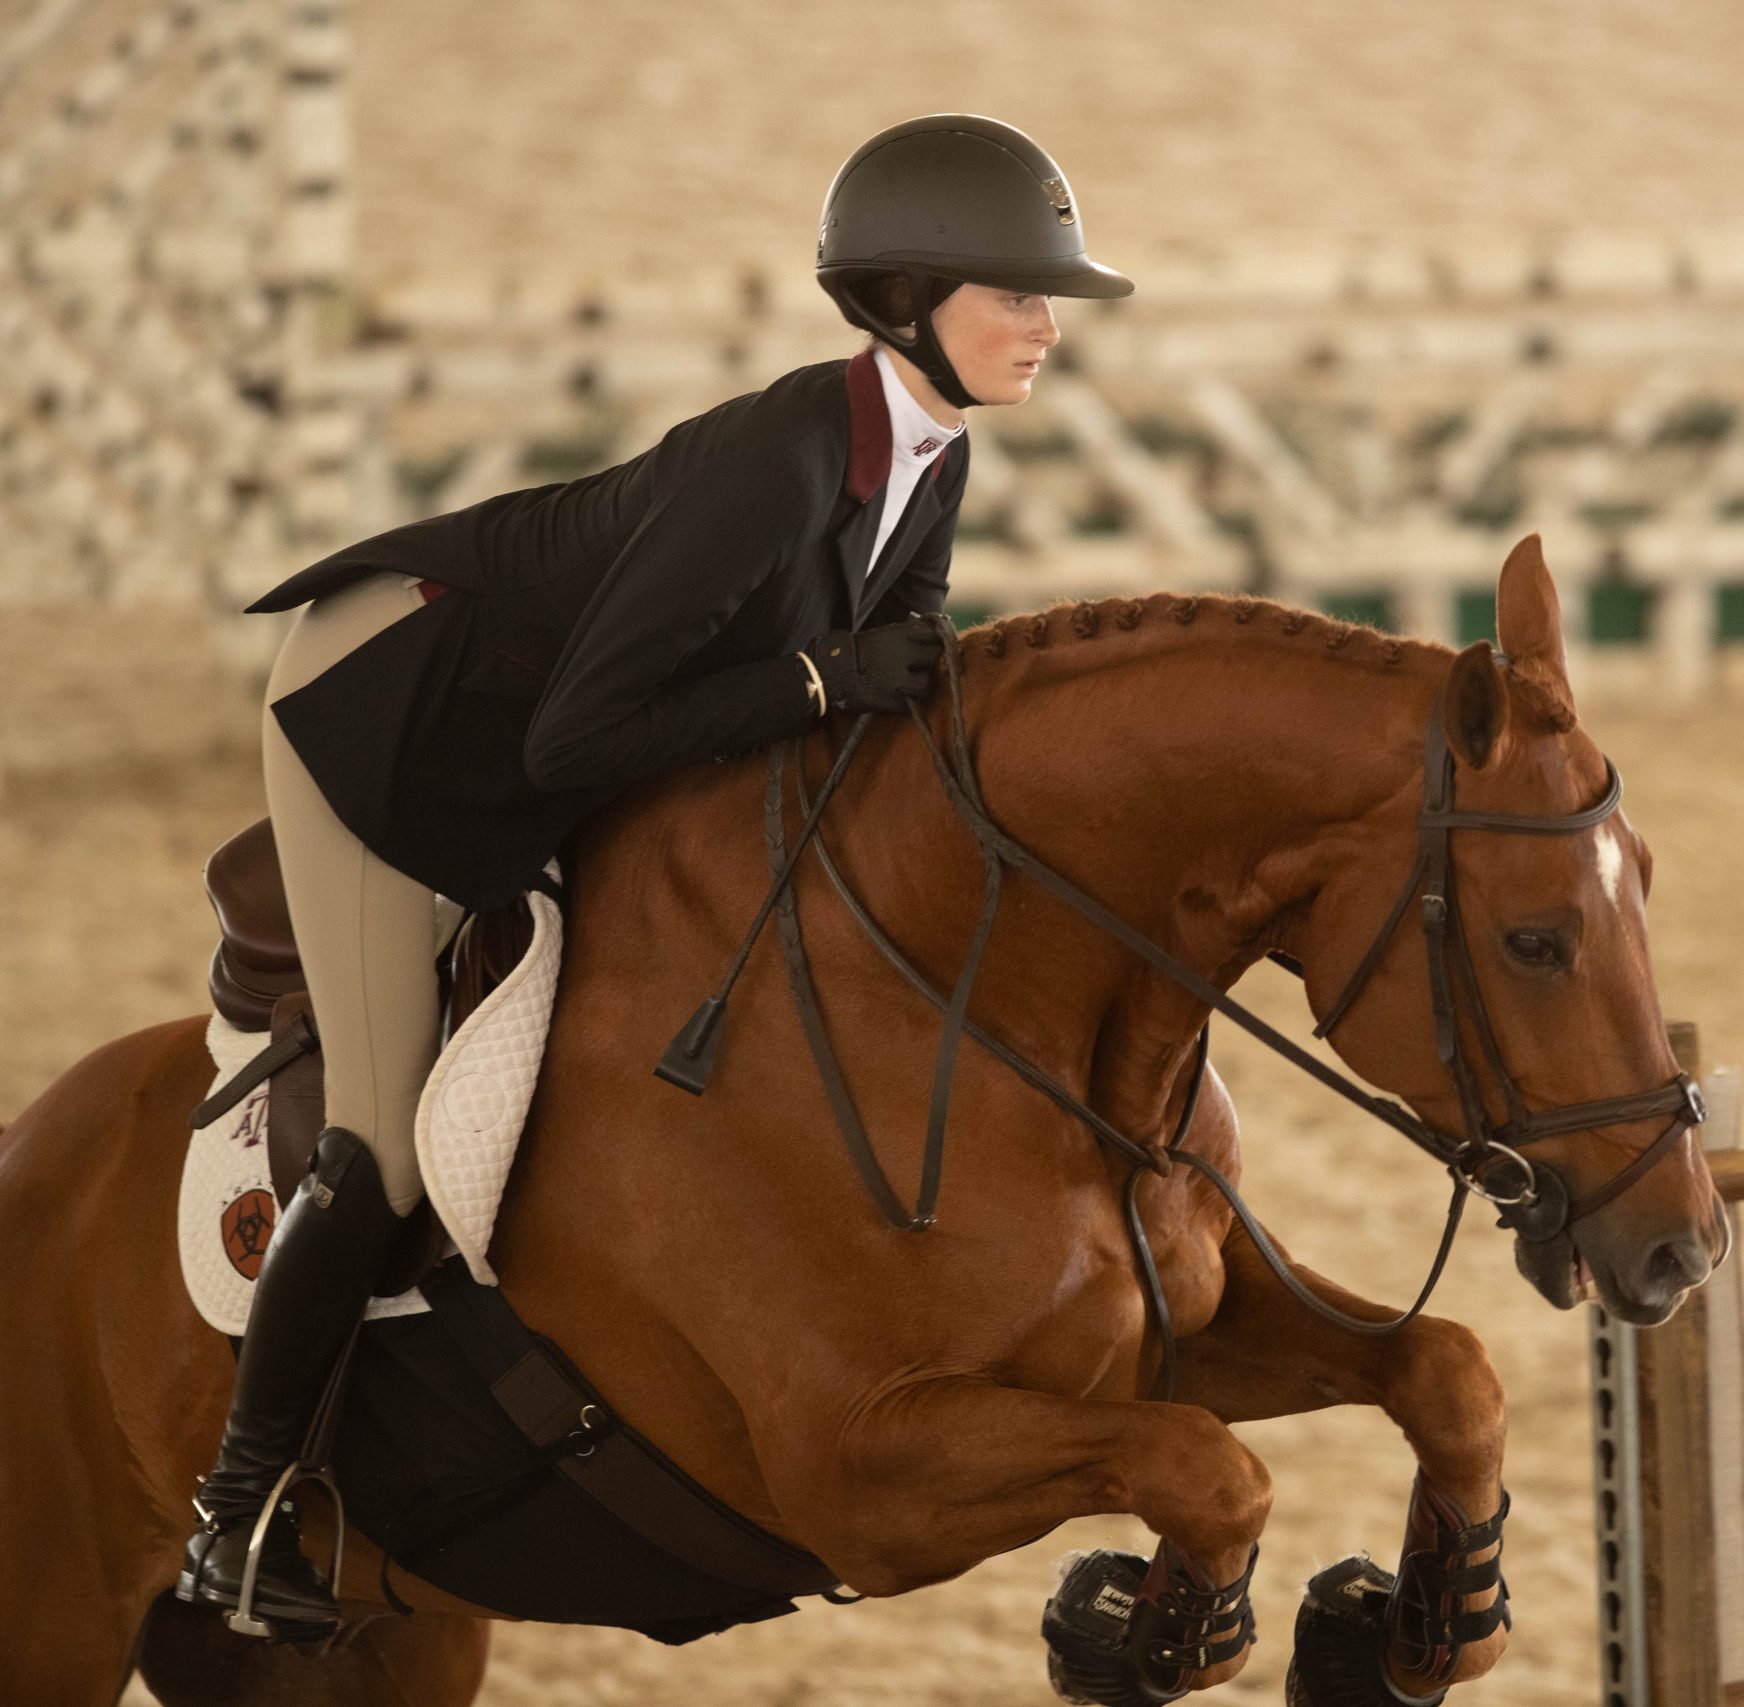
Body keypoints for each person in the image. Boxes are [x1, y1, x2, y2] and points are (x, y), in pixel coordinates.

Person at [175, 112, 1135, 1641]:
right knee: (388, 1129)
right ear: (903, 301)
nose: (1044, 324)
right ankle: (237, 1508)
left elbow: (891, 691)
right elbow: (585, 734)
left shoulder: (932, 459)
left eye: (1048, 298)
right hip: (395, 699)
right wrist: (824, 683)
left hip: (548, 717)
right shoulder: (778, 461)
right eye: (1013, 292)